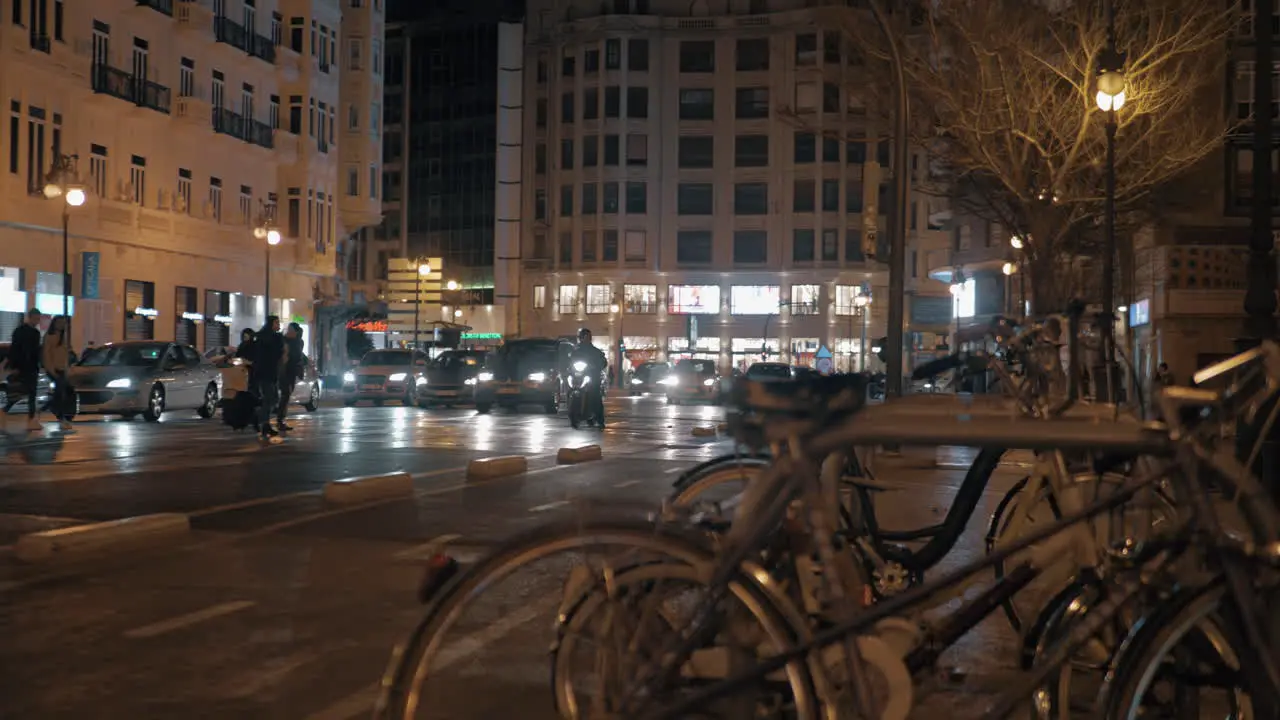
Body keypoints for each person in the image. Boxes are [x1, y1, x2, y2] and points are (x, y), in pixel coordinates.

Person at [4, 308, 43, 430]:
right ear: (30, 317)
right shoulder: (23, 332)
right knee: (24, 393)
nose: (37, 321)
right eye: (36, 318)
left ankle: (30, 419)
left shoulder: (30, 332)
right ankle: (8, 411)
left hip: (29, 367)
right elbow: (15, 350)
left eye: (38, 319)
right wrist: (14, 366)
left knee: (29, 393)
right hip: (25, 367)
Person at [253, 316, 285, 441]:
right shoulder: (270, 338)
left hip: (269, 372)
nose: (278, 324)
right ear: (271, 323)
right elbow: (276, 353)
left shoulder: (267, 337)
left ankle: (263, 422)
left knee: (271, 399)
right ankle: (261, 421)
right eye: (276, 322)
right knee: (270, 398)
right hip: (265, 372)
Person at [569, 327, 608, 427]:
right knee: (571, 388)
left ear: (589, 338)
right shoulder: (575, 351)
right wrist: (568, 368)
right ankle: (574, 414)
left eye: (586, 336)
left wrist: (597, 366)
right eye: (582, 336)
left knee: (595, 395)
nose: (584, 338)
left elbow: (603, 362)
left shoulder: (595, 351)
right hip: (578, 375)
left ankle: (600, 420)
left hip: (591, 375)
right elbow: (569, 362)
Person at [40, 316, 74, 431]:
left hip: (62, 369)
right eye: (59, 323)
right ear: (54, 323)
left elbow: (64, 355)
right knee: (60, 394)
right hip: (54, 369)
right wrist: (51, 371)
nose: (61, 325)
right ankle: (60, 418)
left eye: (63, 323)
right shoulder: (49, 337)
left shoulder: (63, 337)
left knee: (62, 394)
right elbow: (46, 355)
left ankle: (45, 409)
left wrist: (67, 368)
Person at [277, 322, 305, 432]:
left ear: (296, 332)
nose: (289, 331)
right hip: (283, 371)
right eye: (288, 329)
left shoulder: (299, 342)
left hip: (292, 371)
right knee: (285, 394)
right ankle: (280, 420)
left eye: (291, 330)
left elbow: (299, 357)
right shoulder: (282, 341)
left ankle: (281, 419)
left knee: (287, 395)